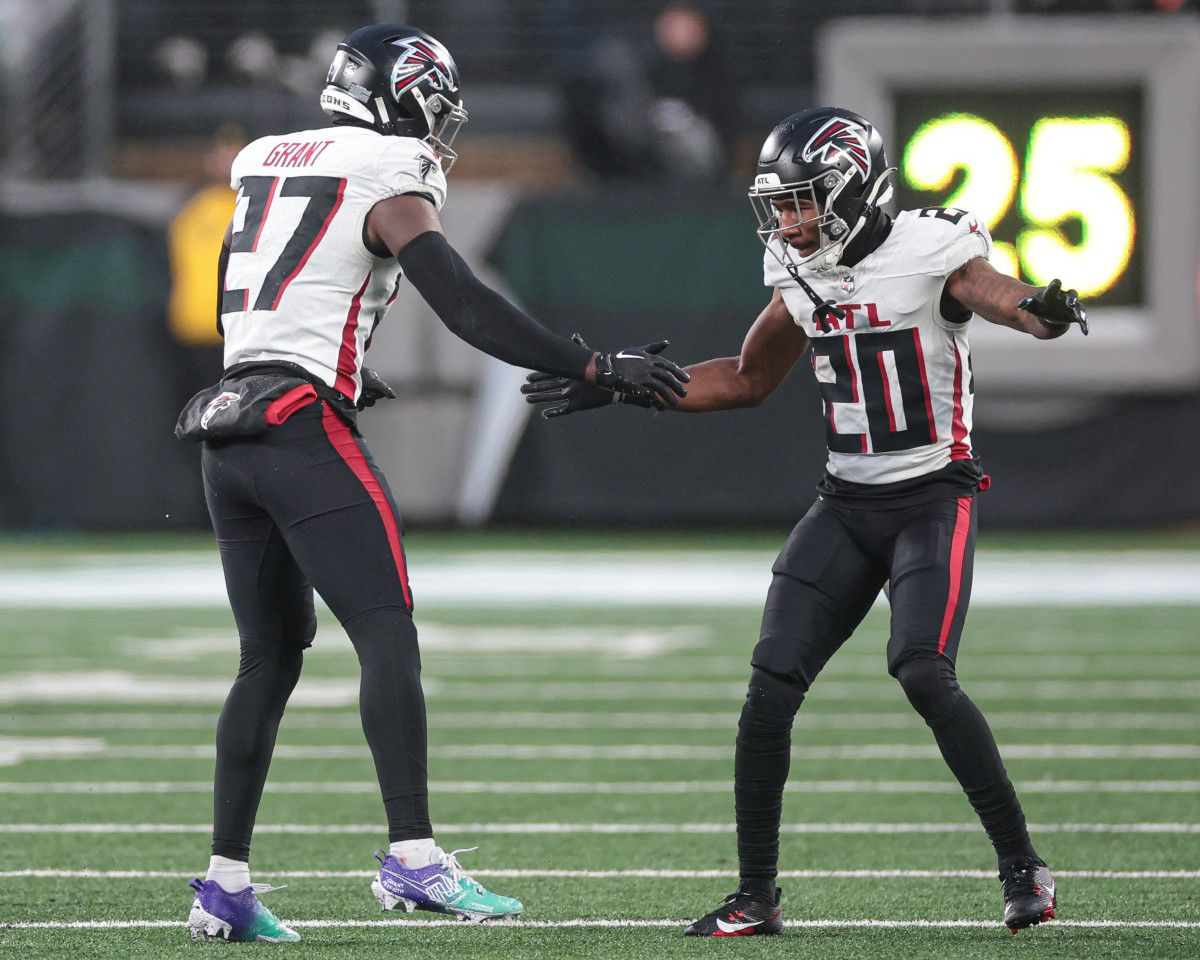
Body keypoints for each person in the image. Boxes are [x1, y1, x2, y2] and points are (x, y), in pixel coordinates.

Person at [178, 23, 689, 943]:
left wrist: (334, 354)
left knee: (268, 658)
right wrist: (592, 365)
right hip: (299, 430)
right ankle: (413, 857)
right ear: (402, 95)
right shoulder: (387, 167)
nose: (441, 129)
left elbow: (245, 283)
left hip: (228, 428)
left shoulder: (263, 156)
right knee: (385, 633)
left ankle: (223, 881)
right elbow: (462, 300)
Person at [521, 107, 1087, 937]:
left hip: (934, 492)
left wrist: (1038, 309)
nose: (789, 221)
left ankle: (1021, 865)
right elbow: (749, 378)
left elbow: (992, 296)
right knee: (768, 688)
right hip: (847, 502)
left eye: (803, 201)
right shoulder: (797, 265)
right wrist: (619, 383)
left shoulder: (933, 244)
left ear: (856, 188)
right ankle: (756, 895)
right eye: (780, 204)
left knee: (923, 671)